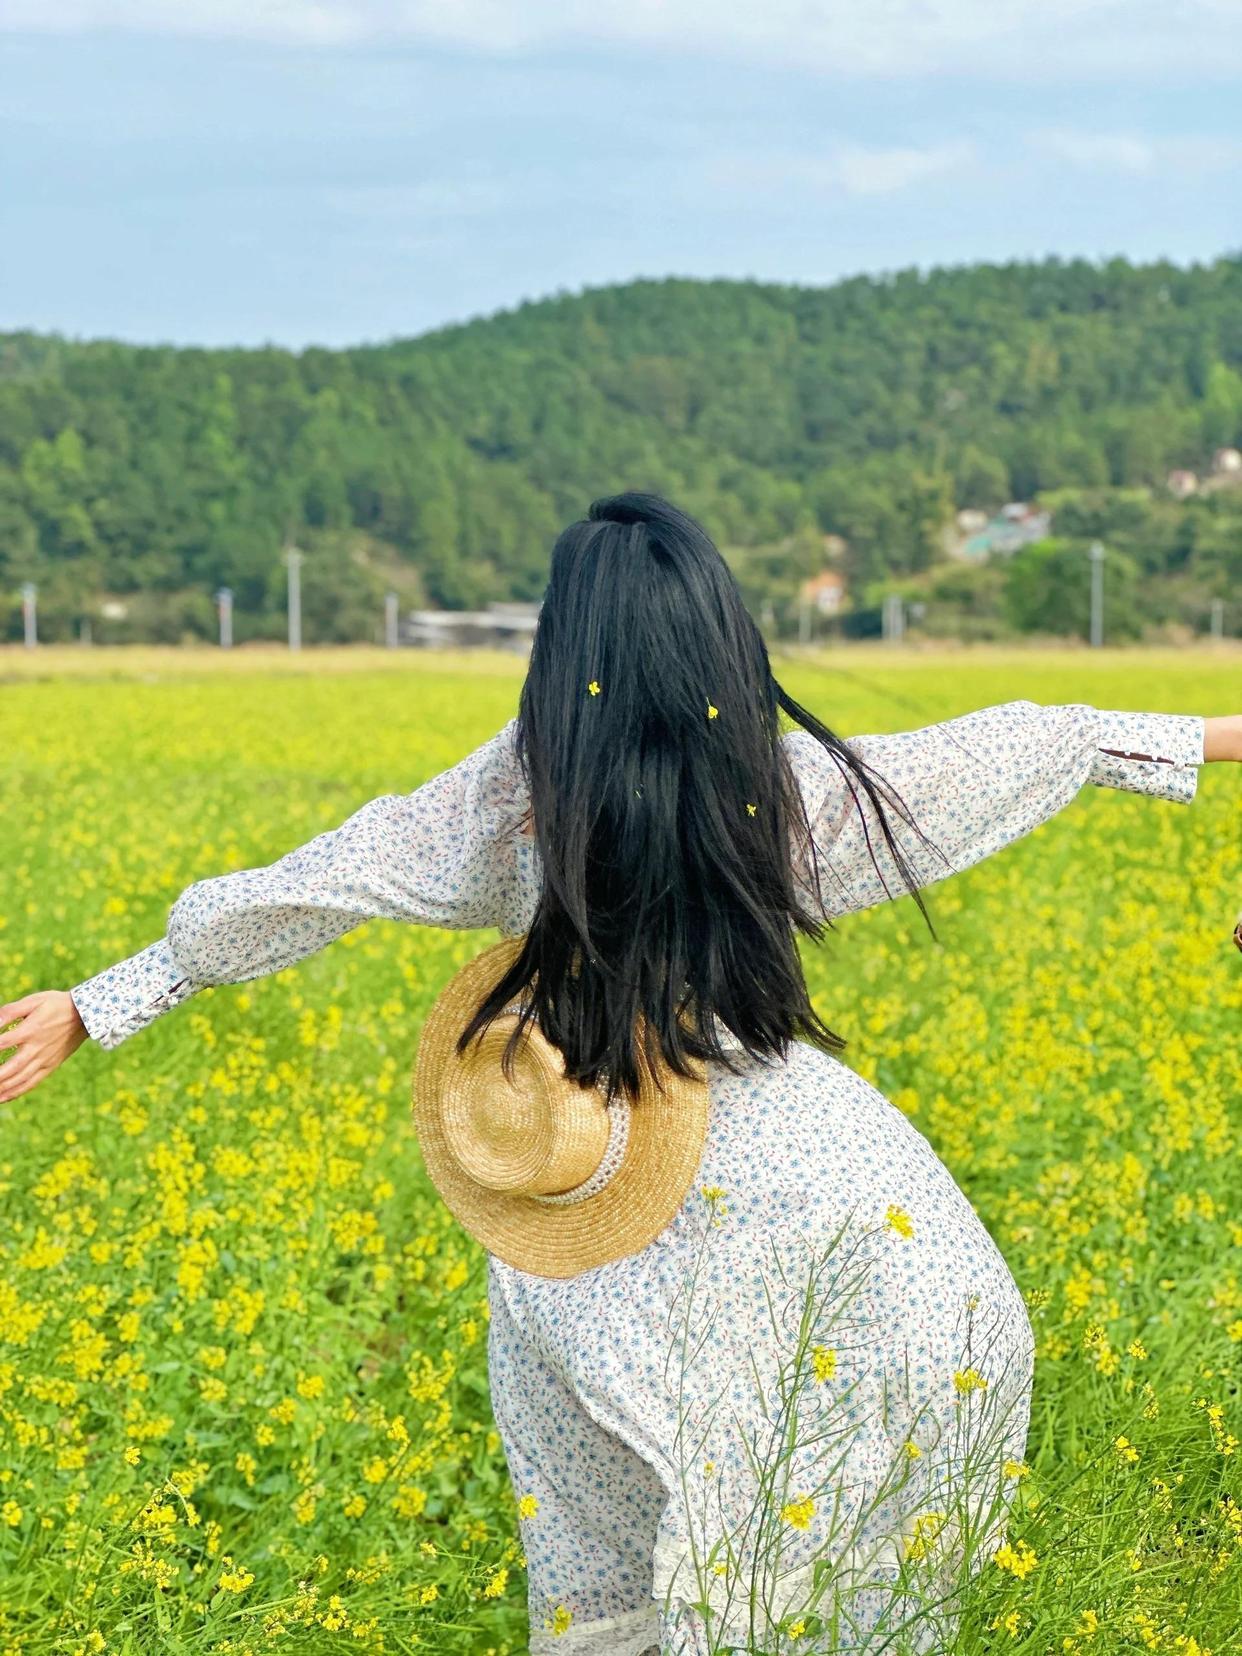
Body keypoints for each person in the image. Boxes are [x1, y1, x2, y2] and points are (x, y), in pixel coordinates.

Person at [2, 492, 1239, 1656]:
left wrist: (99, 1005)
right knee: (802, 1549)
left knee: (600, 1575)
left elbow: (314, 882)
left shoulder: (513, 805)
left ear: (559, 656)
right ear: (725, 646)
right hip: (839, 1203)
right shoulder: (784, 796)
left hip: (590, 1197)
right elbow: (1041, 744)